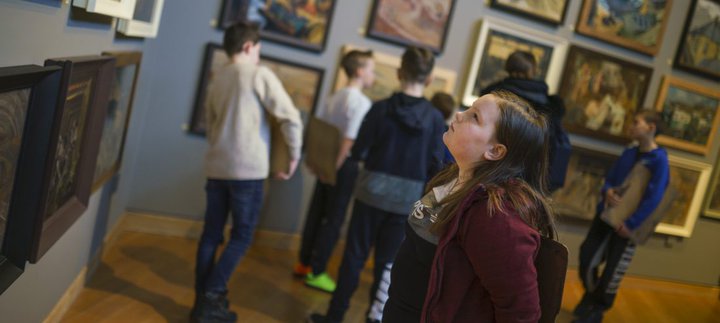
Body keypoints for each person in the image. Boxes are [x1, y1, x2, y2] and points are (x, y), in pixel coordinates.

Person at [381, 91, 557, 322]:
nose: (459, 114)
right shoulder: (455, 178)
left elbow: (521, 313)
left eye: (474, 116)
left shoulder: (496, 216)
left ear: (495, 151)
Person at [308, 46, 446, 323]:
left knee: (354, 257)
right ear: (429, 79)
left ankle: (335, 316)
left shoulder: (380, 109)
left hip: (370, 193)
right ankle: (376, 318)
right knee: (388, 267)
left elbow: (358, 151)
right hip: (405, 201)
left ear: (398, 73)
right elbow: (436, 166)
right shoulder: (434, 119)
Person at [192, 21, 303, 323]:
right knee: (241, 237)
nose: (258, 57)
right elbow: (290, 117)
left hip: (217, 167)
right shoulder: (258, 74)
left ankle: (201, 304)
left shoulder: (218, 78)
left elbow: (212, 127)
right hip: (248, 171)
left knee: (211, 235)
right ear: (248, 47)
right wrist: (293, 156)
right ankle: (211, 298)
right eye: (258, 51)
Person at [573, 111, 669, 323]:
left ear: (651, 128)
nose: (631, 126)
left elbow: (654, 198)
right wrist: (607, 191)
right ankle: (591, 295)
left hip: (627, 225)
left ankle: (597, 310)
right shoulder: (629, 152)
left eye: (637, 123)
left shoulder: (659, 161)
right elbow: (610, 179)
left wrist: (632, 224)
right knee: (587, 255)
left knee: (612, 271)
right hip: (606, 215)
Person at [295, 49, 375, 293]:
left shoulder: (335, 96)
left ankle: (304, 264)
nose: (374, 75)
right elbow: (348, 140)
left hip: (326, 163)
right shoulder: (361, 102)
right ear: (360, 72)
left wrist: (321, 165)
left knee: (316, 213)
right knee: (334, 220)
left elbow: (320, 131)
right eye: (372, 69)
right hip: (342, 165)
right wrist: (334, 168)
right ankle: (318, 273)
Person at [481, 50, 569, 191]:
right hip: (534, 173)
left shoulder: (494, 95)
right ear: (532, 69)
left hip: (494, 167)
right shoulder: (549, 104)